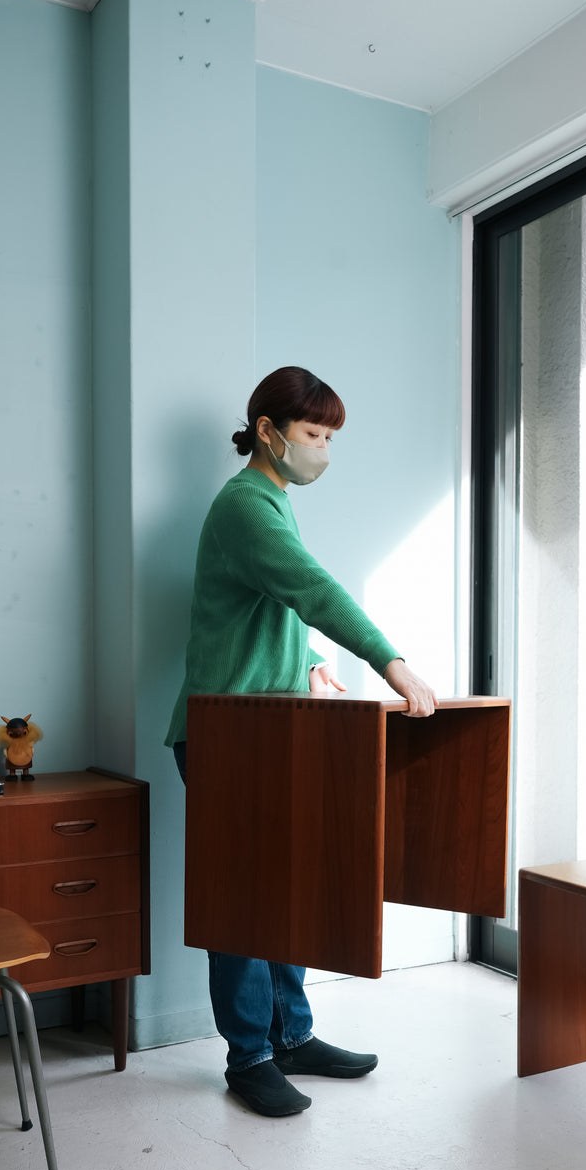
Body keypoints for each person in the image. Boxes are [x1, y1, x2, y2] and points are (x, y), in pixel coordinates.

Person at [166, 365, 437, 1118]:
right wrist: (391, 660)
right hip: (227, 738)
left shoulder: (272, 503)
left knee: (281, 891)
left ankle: (291, 1035)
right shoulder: (248, 505)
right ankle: (249, 1055)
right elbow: (311, 590)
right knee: (245, 899)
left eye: (329, 438)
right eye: (315, 434)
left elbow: (267, 607)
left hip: (267, 733)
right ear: (268, 432)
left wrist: (310, 661)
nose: (322, 449)